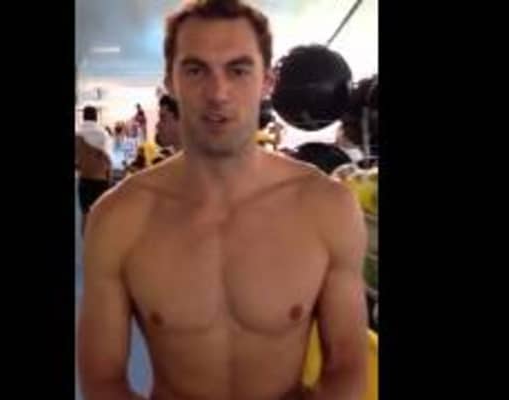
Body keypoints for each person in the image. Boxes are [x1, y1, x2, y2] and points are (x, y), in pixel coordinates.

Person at [78, 1, 368, 399]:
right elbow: (102, 378)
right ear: (171, 81)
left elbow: (347, 367)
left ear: (267, 82)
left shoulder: (326, 207)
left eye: (238, 70)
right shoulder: (119, 217)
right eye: (196, 70)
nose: (218, 93)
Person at [75, 105, 112, 235]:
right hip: (100, 180)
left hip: (84, 180)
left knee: (85, 215)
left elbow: (77, 162)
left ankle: (86, 244)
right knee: (101, 215)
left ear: (84, 117)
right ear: (96, 117)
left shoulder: (77, 135)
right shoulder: (103, 134)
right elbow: (108, 160)